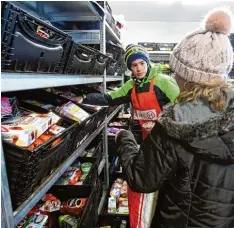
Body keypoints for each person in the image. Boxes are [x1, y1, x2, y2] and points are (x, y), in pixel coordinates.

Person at [115, 8, 234, 228]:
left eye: (177, 71)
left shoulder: (174, 124)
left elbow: (141, 179)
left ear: (186, 76)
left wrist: (124, 140)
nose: (174, 76)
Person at [79, 44, 180, 228]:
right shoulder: (131, 86)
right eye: (134, 65)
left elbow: (183, 106)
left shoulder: (163, 82)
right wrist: (81, 98)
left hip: (171, 143)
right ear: (130, 68)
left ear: (147, 63)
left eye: (142, 63)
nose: (139, 68)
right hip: (149, 143)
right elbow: (110, 98)